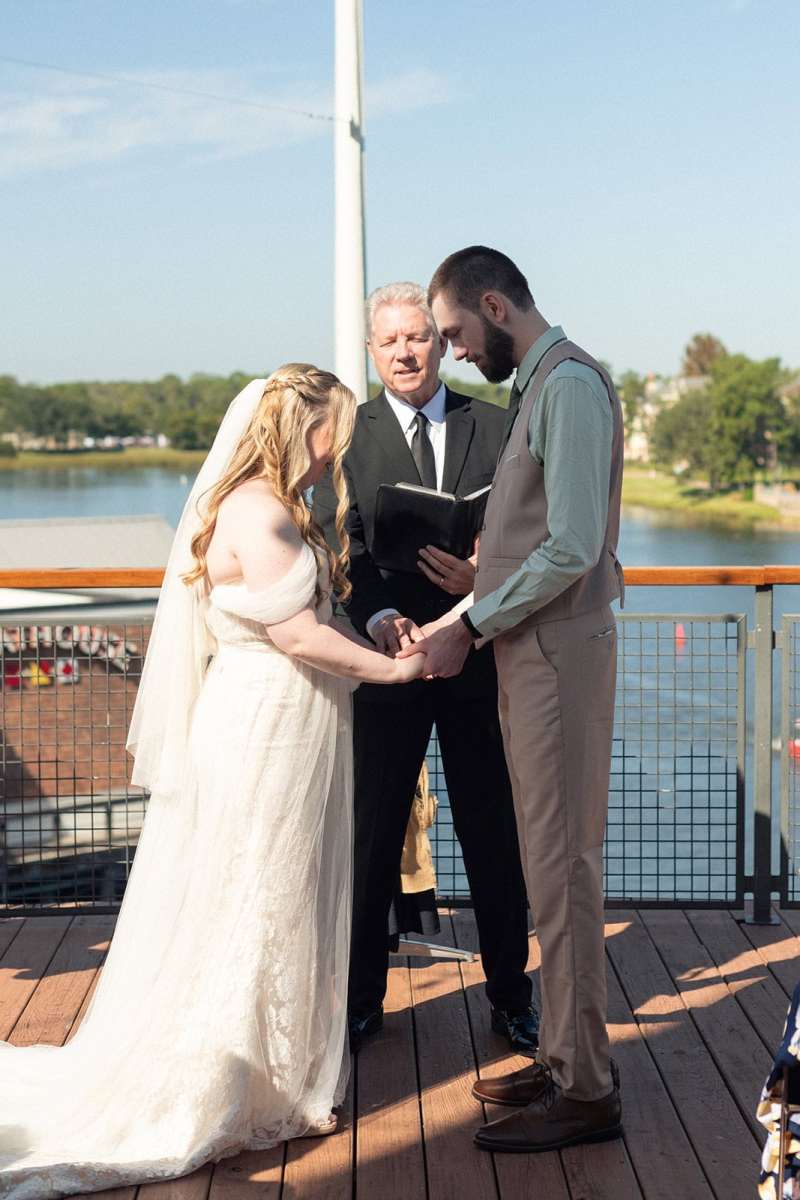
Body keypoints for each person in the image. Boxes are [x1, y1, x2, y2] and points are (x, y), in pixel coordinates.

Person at [0, 365, 425, 1198]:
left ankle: (272, 1063)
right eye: (332, 429)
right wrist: (396, 675)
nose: (337, 448)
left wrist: (377, 625)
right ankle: (229, 1078)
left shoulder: (265, 504)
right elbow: (299, 638)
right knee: (253, 889)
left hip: (284, 720)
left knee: (275, 887)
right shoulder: (262, 513)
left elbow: (315, 618)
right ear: (304, 428)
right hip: (265, 725)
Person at [398, 247, 624, 1153]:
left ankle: (588, 1089)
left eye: (453, 332)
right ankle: (567, 1054)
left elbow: (570, 547)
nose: (450, 352)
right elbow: (543, 535)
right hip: (537, 656)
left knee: (564, 870)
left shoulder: (564, 385)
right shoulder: (543, 383)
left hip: (555, 660)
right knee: (548, 866)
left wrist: (467, 625)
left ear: (495, 304)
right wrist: (479, 590)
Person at [313, 282, 536, 1055]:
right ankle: (360, 999)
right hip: (389, 660)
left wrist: (483, 573)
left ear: (441, 344)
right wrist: (378, 617)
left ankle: (512, 996)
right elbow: (343, 546)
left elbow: (529, 528)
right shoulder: (348, 434)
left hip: (475, 653)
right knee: (371, 834)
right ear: (373, 352)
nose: (406, 351)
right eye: (390, 342)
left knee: (492, 831)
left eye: (418, 337)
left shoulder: (498, 424)